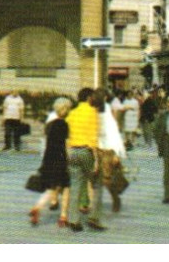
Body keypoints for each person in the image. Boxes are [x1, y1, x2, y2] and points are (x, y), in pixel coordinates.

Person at [64, 87, 106, 232]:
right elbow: (93, 136)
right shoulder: (92, 112)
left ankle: (73, 220)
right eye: (93, 96)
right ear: (89, 97)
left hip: (72, 151)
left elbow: (67, 134)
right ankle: (94, 217)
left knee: (75, 185)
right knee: (97, 184)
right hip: (86, 151)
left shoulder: (72, 113)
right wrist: (96, 159)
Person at [28, 97, 72, 226]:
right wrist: (69, 160)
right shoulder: (64, 125)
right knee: (66, 187)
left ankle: (37, 207)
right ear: (65, 110)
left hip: (49, 158)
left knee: (52, 187)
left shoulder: (49, 125)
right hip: (60, 159)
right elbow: (66, 144)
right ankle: (63, 217)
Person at [98, 89, 128, 213]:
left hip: (107, 150)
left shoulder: (107, 112)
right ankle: (94, 204)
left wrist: (117, 153)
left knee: (107, 179)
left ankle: (115, 198)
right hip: (95, 148)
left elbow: (114, 133)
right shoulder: (93, 110)